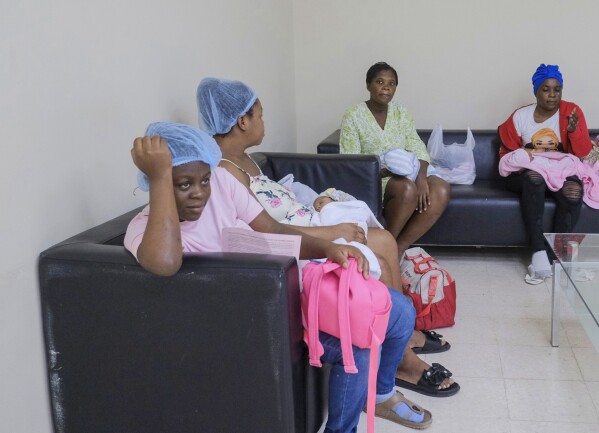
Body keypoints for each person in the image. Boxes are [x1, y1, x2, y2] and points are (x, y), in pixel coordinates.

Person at [124, 121, 433, 432]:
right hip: (257, 322)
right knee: (358, 348)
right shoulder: (145, 228)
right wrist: (161, 176)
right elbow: (164, 263)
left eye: (203, 180)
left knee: (401, 312)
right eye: (184, 184)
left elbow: (272, 229)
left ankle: (380, 394)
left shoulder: (221, 184)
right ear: (157, 183)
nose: (200, 194)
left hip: (295, 291)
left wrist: (328, 248)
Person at [196, 77, 459, 399]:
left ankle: (401, 339)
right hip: (294, 246)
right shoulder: (223, 174)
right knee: (378, 244)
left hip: (307, 224)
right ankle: (402, 357)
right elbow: (260, 232)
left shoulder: (246, 161)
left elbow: (280, 207)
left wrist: (322, 201)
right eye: (260, 115)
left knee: (385, 241)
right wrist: (331, 233)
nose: (264, 122)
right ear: (241, 121)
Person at [339, 62, 451, 261]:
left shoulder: (401, 112)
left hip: (409, 171)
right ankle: (384, 245)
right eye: (380, 82)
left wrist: (422, 178)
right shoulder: (353, 116)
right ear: (368, 85)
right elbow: (352, 162)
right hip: (376, 178)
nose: (386, 87)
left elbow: (417, 146)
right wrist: (386, 170)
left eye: (391, 83)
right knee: (407, 189)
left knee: (441, 189)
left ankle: (398, 247)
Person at [498, 64, 592, 282]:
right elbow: (507, 158)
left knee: (573, 192)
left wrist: (573, 132)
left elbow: (584, 152)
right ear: (536, 90)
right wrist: (526, 160)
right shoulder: (520, 116)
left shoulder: (571, 112)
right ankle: (538, 253)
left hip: (560, 171)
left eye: (557, 90)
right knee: (534, 178)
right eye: (546, 89)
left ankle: (560, 256)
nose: (552, 95)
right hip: (527, 173)